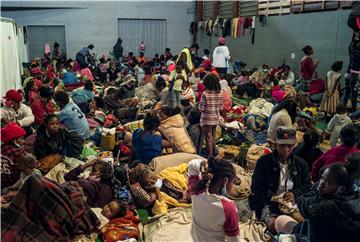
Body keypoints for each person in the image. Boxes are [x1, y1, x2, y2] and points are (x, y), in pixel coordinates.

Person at [249, 127, 311, 232]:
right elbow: (256, 187)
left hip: (292, 204)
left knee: (303, 223)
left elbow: (307, 187)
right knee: (273, 225)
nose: (286, 150)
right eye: (282, 146)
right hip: (269, 203)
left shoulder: (301, 164)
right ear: (275, 144)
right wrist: (274, 198)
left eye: (289, 146)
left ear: (294, 145)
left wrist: (294, 194)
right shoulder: (264, 162)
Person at [296, 164, 360, 242]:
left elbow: (303, 204)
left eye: (329, 183)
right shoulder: (353, 197)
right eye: (322, 178)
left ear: (341, 188)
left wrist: (320, 196)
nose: (322, 184)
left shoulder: (327, 206)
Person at [190, 158, 240, 242]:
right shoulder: (228, 207)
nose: (233, 187)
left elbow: (192, 164)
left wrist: (206, 166)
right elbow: (234, 240)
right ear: (225, 181)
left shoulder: (195, 190)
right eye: (233, 182)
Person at [199, 73, 223, 157]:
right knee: (213, 135)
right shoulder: (219, 93)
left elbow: (201, 108)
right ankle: (214, 150)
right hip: (215, 118)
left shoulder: (205, 94)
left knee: (208, 137)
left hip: (207, 119)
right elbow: (221, 108)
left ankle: (210, 154)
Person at [0, 122, 26, 189]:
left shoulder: (2, 148)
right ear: (14, 140)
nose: (23, 141)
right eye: (21, 139)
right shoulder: (19, 152)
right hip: (14, 186)